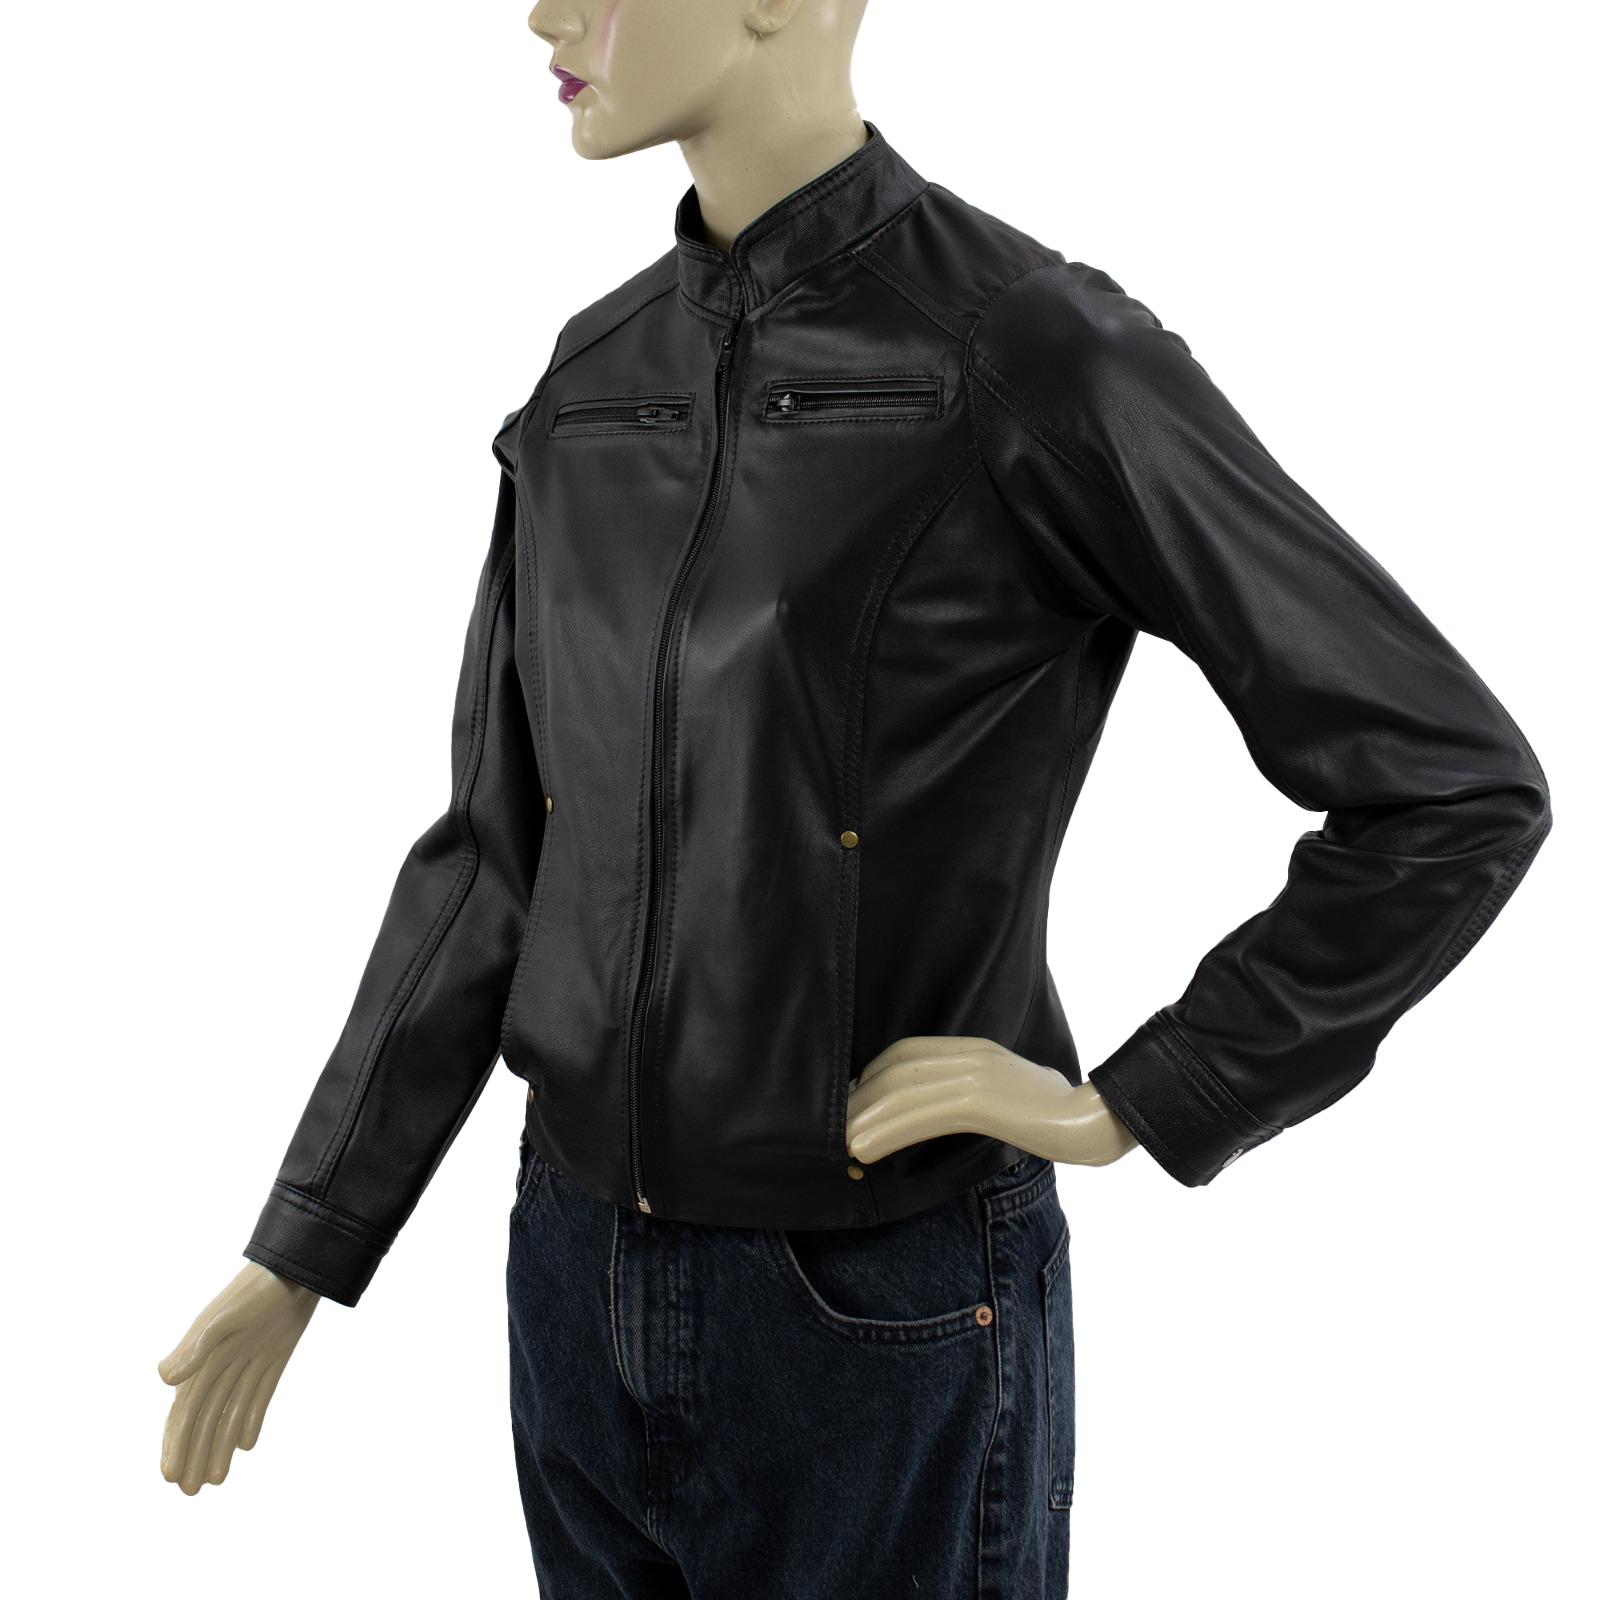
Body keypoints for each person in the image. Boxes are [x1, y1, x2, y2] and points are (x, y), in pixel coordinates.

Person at [158, 4, 1552, 1595]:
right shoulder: (588, 385)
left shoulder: (1029, 351)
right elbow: (494, 863)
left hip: (880, 1301)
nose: (542, 12)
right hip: (569, 1270)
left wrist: (1144, 1095)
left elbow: (1449, 784)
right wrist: (307, 1241)